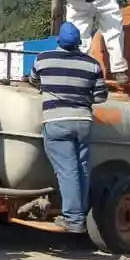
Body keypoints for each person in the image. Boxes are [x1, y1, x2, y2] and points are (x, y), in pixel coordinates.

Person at [28, 21, 109, 233]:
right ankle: (80, 213)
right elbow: (101, 96)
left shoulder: (43, 59)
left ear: (59, 40)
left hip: (57, 122)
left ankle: (73, 219)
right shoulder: (92, 64)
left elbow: (34, 81)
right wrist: (82, 98)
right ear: (78, 43)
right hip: (83, 122)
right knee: (82, 169)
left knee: (68, 171)